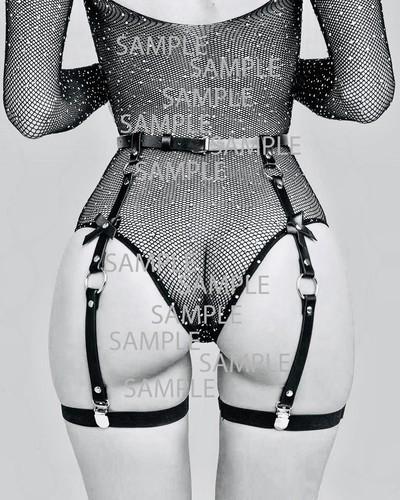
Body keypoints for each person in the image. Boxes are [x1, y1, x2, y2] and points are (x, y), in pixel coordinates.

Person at [3, 0, 395, 498]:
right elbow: (364, 94)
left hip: (125, 246)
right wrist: (262, 70)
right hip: (279, 238)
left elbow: (34, 108)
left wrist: (130, 73)